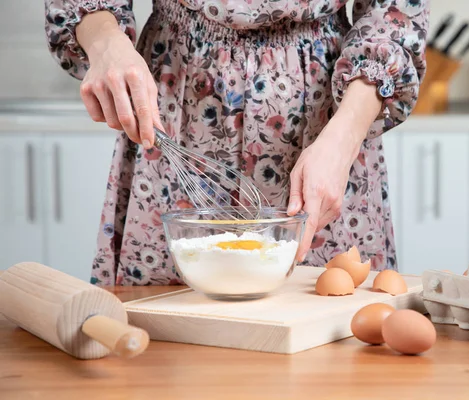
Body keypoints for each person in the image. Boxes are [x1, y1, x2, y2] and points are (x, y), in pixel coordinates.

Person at [44, 0, 429, 286]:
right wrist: (105, 42)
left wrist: (343, 138)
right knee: (165, 341)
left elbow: (393, 15)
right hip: (177, 95)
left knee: (330, 322)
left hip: (328, 116)